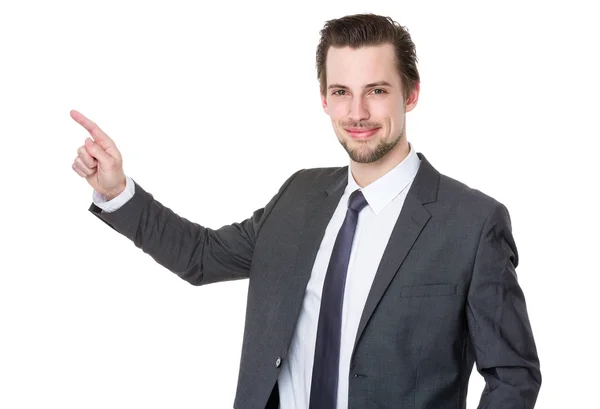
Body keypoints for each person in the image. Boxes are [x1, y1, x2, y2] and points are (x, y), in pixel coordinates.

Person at [71, 13, 541, 409]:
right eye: (341, 92)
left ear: (411, 94)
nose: (357, 112)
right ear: (324, 98)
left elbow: (513, 377)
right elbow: (201, 256)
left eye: (376, 90)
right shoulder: (299, 195)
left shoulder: (472, 223)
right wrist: (117, 191)